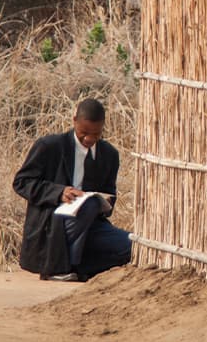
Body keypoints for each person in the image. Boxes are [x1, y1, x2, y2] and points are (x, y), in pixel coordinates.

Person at [12, 98, 131, 281]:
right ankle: (59, 269)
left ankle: (76, 268)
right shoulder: (49, 146)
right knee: (88, 206)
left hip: (91, 224)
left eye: (96, 134)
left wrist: (105, 202)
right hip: (53, 223)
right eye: (83, 133)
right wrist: (59, 193)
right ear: (74, 120)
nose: (89, 139)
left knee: (131, 245)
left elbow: (109, 194)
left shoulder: (109, 155)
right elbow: (22, 182)